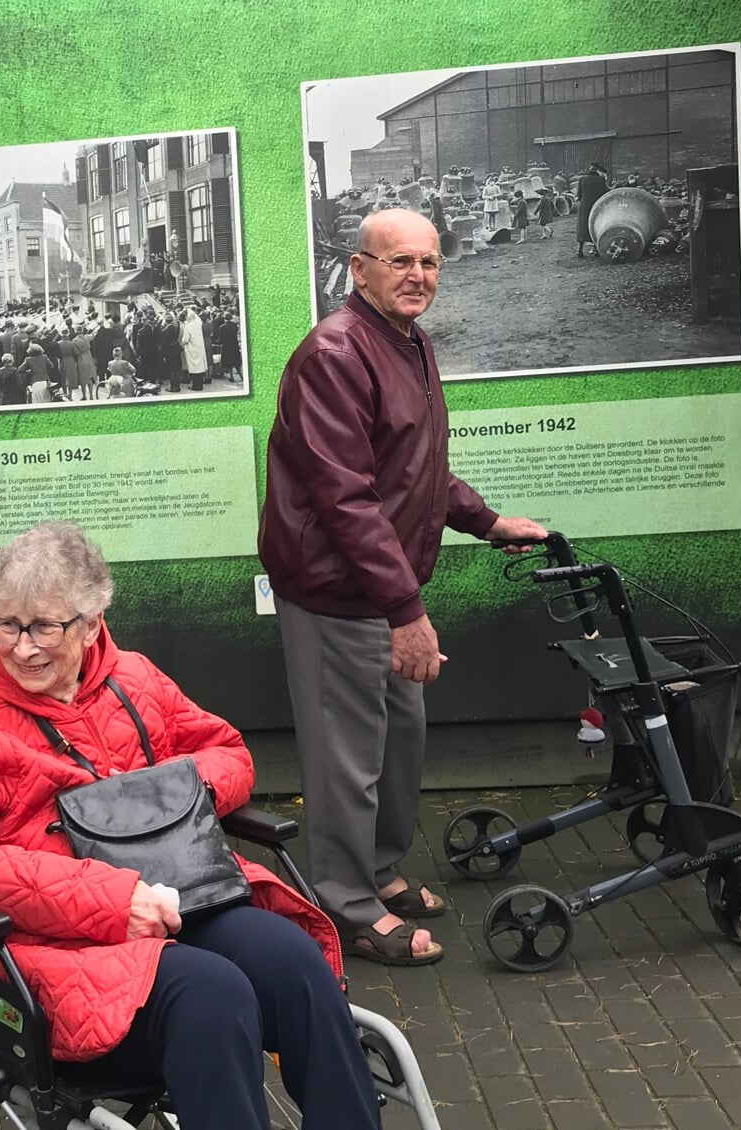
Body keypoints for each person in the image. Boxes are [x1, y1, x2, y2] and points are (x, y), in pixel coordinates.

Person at [0, 522, 383, 1130]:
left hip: (184, 895)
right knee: (213, 995)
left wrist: (171, 798)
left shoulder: (133, 678)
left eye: (43, 626)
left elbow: (229, 753)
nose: (22, 647)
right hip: (50, 939)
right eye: (5, 624)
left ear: (91, 621)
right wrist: (107, 898)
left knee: (293, 963)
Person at [260, 209, 544, 967]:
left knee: (398, 746)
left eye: (430, 262)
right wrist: (406, 610)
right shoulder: (335, 353)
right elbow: (345, 498)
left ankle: (377, 873)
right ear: (359, 270)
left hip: (380, 591)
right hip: (336, 595)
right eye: (399, 262)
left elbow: (414, 469)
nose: (417, 275)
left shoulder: (408, 343)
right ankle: (346, 905)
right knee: (347, 759)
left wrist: (485, 521)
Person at [576, 162, 610, 258]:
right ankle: (595, 250)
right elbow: (605, 193)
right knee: (596, 225)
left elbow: (578, 195)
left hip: (584, 207)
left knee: (582, 227)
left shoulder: (582, 179)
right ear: (597, 171)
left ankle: (580, 250)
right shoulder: (600, 180)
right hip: (596, 206)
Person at [179, 308, 210, 391]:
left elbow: (185, 340)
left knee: (194, 368)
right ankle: (200, 385)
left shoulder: (187, 326)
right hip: (199, 348)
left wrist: (182, 341)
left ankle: (195, 386)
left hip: (192, 349)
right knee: (200, 367)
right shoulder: (198, 324)